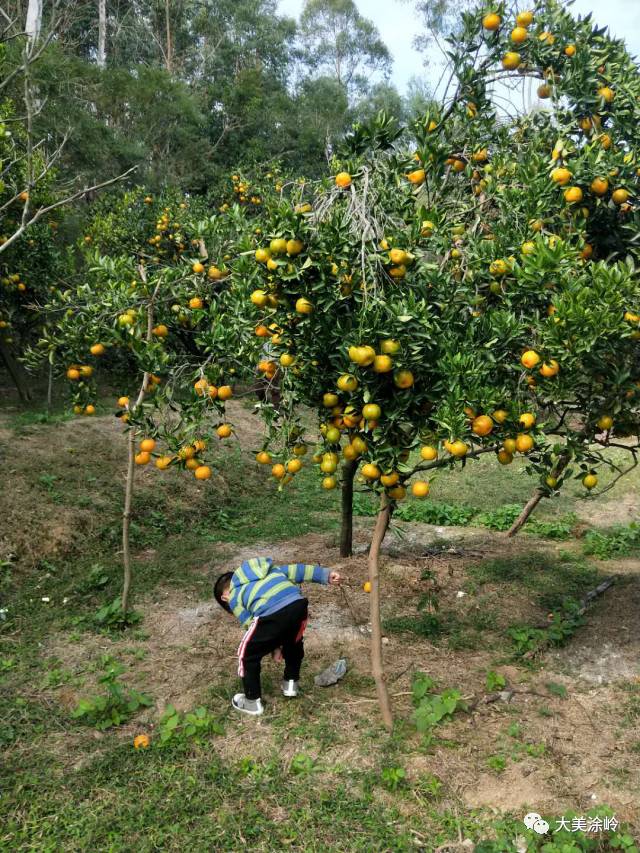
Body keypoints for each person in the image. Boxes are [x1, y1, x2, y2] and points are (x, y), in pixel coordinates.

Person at [213, 557, 342, 715]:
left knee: (247, 654)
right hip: (298, 605)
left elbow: (250, 624)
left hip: (272, 614)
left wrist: (272, 646)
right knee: (293, 642)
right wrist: (326, 575)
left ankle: (252, 701)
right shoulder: (270, 570)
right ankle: (291, 684)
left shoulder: (233, 596)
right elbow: (299, 570)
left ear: (224, 597)